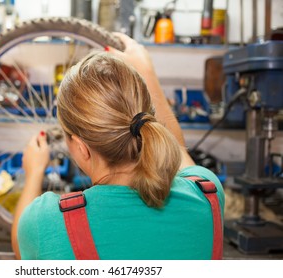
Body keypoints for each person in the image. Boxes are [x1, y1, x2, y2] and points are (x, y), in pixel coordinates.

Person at [11, 33, 225, 260]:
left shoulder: (46, 223)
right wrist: (147, 72)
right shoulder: (207, 195)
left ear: (82, 148)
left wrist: (34, 173)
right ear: (146, 122)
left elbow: (20, 246)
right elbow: (179, 151)